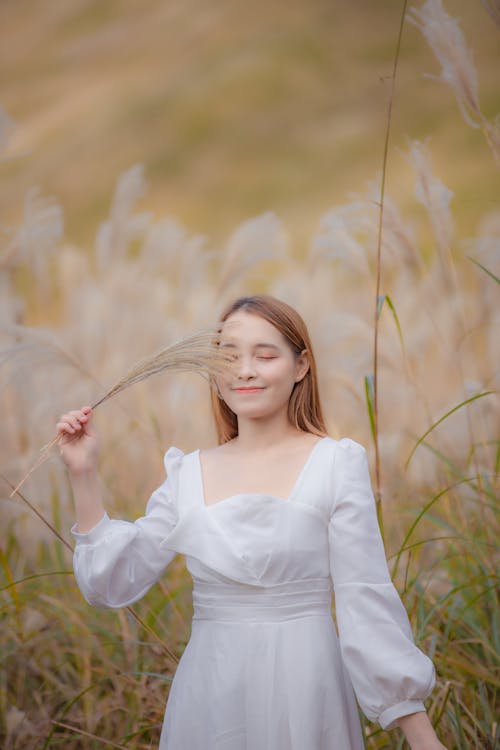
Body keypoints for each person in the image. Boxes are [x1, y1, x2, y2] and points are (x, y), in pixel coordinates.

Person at [57, 295, 447, 750]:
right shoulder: (188, 473)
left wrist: (421, 737)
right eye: (228, 357)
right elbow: (112, 582)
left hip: (308, 687)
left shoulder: (335, 463)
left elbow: (364, 598)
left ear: (301, 366)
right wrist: (83, 474)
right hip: (211, 690)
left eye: (265, 356)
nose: (244, 370)